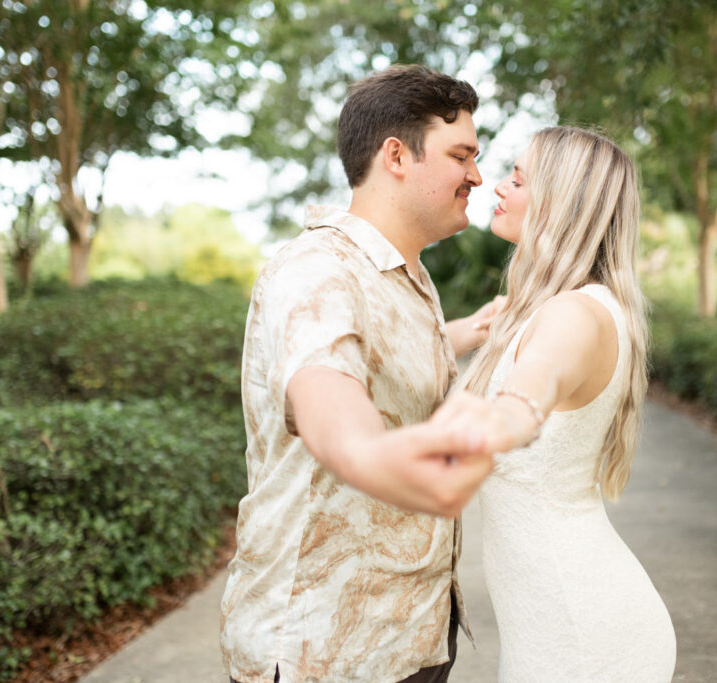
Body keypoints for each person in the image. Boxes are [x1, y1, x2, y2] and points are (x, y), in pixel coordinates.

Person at [220, 65, 502, 683]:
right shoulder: (318, 271)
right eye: (462, 156)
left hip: (413, 633)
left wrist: (477, 329)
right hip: (326, 652)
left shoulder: (406, 274)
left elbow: (384, 357)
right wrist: (418, 473)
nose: (477, 176)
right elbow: (333, 413)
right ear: (396, 156)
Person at [437, 126, 677, 681]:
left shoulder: (573, 316)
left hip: (582, 636)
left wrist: (512, 412)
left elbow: (535, 384)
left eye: (518, 179)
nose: (498, 186)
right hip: (549, 628)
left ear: (562, 204)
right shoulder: (544, 309)